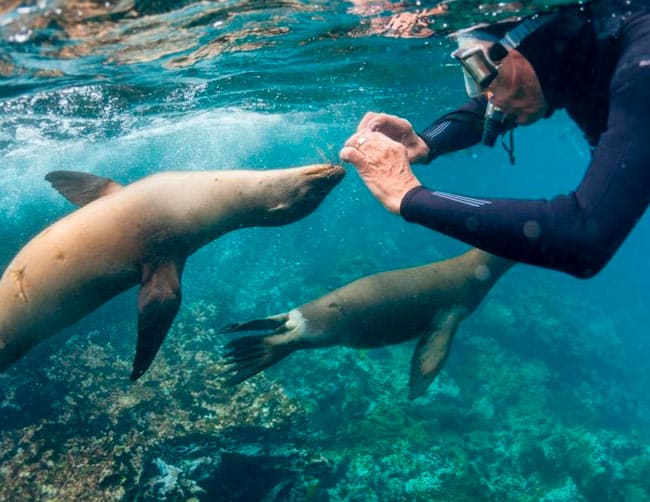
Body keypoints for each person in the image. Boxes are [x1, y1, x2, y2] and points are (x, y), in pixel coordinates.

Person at [340, 0, 650, 279]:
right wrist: (427, 142)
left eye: (485, 71)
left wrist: (409, 196)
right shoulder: (577, 49)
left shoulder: (642, 64)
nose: (485, 94)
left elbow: (582, 236)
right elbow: (502, 100)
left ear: (529, 42)